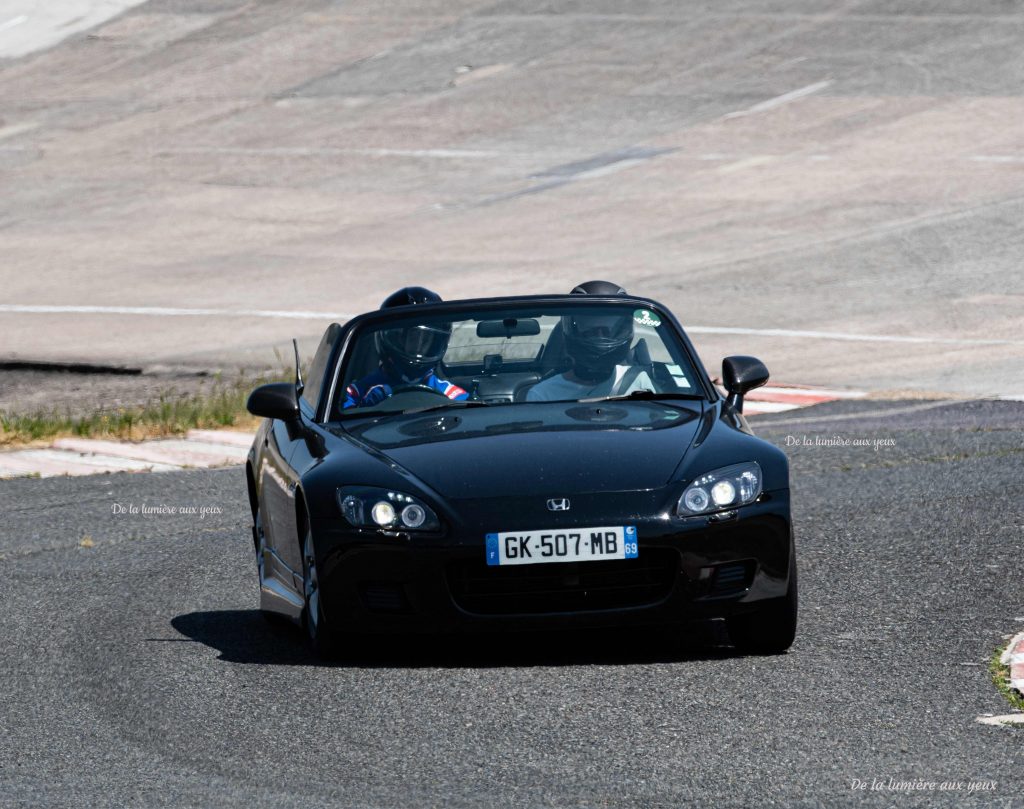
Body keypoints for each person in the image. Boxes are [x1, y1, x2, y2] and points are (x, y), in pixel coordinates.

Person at [527, 280, 655, 402]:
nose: (600, 339)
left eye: (607, 332)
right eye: (591, 332)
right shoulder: (543, 394)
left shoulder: (638, 381)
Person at [343, 287, 468, 409]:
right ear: (395, 338)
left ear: (435, 343)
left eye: (425, 340)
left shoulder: (454, 397)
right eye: (413, 337)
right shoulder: (357, 393)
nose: (419, 346)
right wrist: (364, 410)